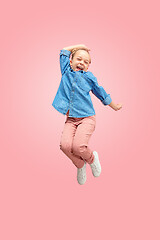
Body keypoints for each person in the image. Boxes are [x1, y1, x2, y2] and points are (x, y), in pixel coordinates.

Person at [52, 44, 122, 185]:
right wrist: (80, 46)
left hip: (87, 118)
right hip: (71, 119)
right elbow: (64, 51)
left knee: (78, 146)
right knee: (65, 146)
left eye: (86, 62)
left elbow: (100, 92)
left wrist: (113, 105)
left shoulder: (89, 77)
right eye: (79, 59)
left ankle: (91, 159)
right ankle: (80, 165)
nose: (81, 63)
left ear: (88, 66)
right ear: (71, 62)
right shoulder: (66, 71)